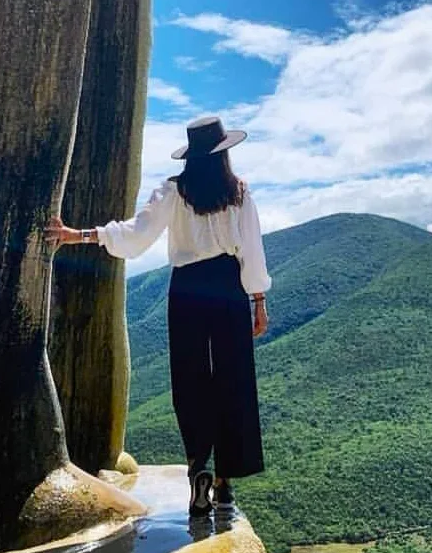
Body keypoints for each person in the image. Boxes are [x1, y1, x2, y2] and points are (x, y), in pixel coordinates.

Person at [45, 115, 271, 517]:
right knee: (232, 380)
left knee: (191, 381)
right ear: (223, 155)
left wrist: (80, 235)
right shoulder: (238, 192)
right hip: (228, 287)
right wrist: (258, 299)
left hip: (186, 290)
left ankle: (198, 467)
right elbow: (252, 249)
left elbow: (136, 234)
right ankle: (224, 481)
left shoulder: (173, 191)